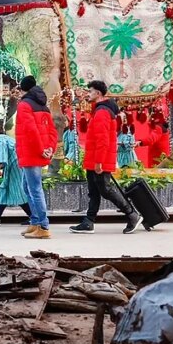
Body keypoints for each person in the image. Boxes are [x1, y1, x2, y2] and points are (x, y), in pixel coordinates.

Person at [69, 81, 143, 235]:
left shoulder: (102, 112)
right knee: (94, 191)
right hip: (93, 158)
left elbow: (102, 140)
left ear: (98, 94)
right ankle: (88, 222)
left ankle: (132, 214)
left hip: (98, 159)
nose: (87, 94)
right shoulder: (99, 111)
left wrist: (99, 162)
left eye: (90, 91)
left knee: (106, 190)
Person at [14, 76, 57, 240]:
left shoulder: (24, 105)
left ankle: (43, 226)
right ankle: (36, 221)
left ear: (23, 90)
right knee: (27, 187)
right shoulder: (42, 106)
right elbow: (52, 131)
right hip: (38, 151)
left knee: (34, 189)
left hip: (31, 152)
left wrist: (41, 150)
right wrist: (49, 149)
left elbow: (31, 131)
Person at [137, 103, 171, 167]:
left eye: (148, 113)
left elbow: (152, 138)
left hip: (158, 162)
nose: (147, 115)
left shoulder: (158, 127)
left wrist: (140, 142)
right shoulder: (159, 126)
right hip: (159, 160)